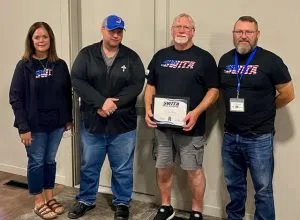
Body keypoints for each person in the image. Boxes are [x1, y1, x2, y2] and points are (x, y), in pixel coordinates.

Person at [68, 15, 145, 220]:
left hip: (123, 125)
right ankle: (86, 200)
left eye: (119, 31)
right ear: (102, 30)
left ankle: (122, 203)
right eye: (112, 31)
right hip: (93, 123)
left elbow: (137, 84)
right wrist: (100, 103)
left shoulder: (131, 57)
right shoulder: (87, 54)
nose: (116, 34)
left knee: (122, 167)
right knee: (90, 165)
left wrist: (113, 104)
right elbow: (77, 80)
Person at [218, 16, 295, 220]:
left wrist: (267, 110)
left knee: (263, 190)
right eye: (239, 32)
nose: (243, 36)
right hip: (230, 136)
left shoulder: (271, 61)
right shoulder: (225, 60)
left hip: (258, 138)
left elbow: (288, 93)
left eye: (248, 32)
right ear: (233, 35)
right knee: (234, 187)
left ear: (257, 34)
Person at [144, 13, 219, 220]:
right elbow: (150, 85)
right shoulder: (160, 56)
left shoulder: (204, 58)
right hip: (162, 128)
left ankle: (196, 211)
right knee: (163, 168)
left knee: (194, 171)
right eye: (178, 26)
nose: (181, 30)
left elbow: (214, 91)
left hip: (190, 127)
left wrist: (196, 113)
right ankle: (166, 206)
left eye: (186, 27)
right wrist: (148, 109)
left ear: (193, 31)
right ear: (172, 30)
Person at [9, 22, 73, 219]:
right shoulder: (24, 66)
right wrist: (23, 126)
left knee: (49, 161)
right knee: (36, 162)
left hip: (56, 124)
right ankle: (38, 201)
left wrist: (68, 119)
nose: (41, 40)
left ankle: (49, 196)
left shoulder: (60, 65)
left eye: (44, 36)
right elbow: (15, 97)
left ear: (50, 39)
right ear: (31, 40)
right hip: (33, 126)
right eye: (37, 37)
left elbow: (66, 94)